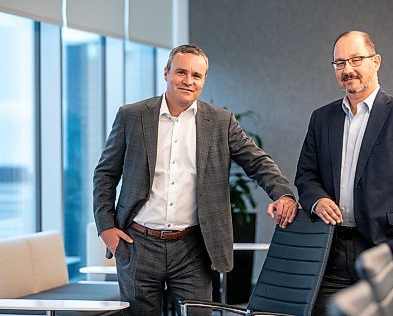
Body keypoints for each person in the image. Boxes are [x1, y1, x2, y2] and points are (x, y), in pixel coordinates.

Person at [93, 44, 298, 315]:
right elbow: (106, 173)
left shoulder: (221, 122)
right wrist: (106, 228)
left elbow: (256, 160)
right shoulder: (132, 116)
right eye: (181, 72)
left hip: (193, 249)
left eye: (196, 75)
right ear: (166, 73)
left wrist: (282, 194)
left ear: (203, 80)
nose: (188, 81)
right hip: (138, 245)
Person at [295, 31, 393, 315]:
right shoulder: (321, 118)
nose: (347, 69)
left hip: (385, 252)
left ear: (376, 62)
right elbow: (306, 176)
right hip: (331, 252)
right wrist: (318, 200)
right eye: (339, 63)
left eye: (356, 59)